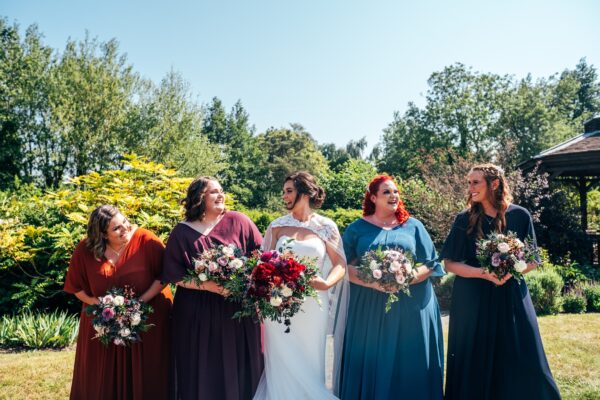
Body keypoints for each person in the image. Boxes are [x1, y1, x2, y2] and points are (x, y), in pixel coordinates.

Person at [441, 163, 561, 400]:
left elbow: (533, 259)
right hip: (473, 299)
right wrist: (483, 273)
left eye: (476, 182)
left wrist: (512, 271)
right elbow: (450, 264)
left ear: (494, 184)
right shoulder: (464, 219)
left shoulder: (520, 215)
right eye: (469, 182)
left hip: (511, 295)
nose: (470, 187)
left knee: (521, 352)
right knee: (475, 354)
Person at [338, 174, 445, 400]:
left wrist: (406, 277)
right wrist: (375, 282)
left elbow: (431, 264)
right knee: (375, 358)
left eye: (396, 191)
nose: (393, 195)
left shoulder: (413, 226)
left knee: (410, 358)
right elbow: (342, 267)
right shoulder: (357, 228)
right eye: (387, 192)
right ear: (373, 197)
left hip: (411, 305)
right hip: (370, 308)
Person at [160, 176, 264, 400]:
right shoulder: (182, 232)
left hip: (236, 310)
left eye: (222, 190)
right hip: (197, 313)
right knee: (204, 364)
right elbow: (174, 275)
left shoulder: (240, 221)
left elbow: (260, 259)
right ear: (199, 198)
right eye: (214, 192)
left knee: (239, 362)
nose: (221, 195)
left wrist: (242, 281)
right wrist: (209, 286)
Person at [253, 171, 347, 400]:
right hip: (279, 304)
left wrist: (326, 284)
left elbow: (340, 265)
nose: (284, 196)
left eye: (289, 191)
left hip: (314, 305)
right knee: (282, 359)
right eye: (284, 191)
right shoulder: (276, 227)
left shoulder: (326, 226)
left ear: (305, 193)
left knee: (310, 359)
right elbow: (263, 265)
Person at [64, 205, 173, 400]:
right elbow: (76, 287)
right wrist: (98, 304)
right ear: (103, 235)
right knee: (101, 381)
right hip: (103, 325)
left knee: (147, 376)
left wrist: (137, 305)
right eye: (117, 228)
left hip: (147, 321)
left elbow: (164, 276)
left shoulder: (147, 240)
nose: (126, 229)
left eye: (125, 222)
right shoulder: (84, 249)